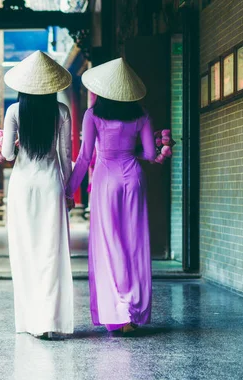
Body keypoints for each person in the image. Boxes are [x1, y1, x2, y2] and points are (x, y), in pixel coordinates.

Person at [65, 58, 156, 334]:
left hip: (106, 182)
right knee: (135, 245)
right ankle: (134, 309)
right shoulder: (142, 115)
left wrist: (68, 190)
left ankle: (118, 311)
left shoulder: (93, 116)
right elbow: (151, 155)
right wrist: (133, 153)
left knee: (109, 245)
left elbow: (84, 157)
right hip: (134, 179)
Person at [1, 51, 74, 339]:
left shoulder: (14, 112)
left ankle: (30, 321)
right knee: (51, 253)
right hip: (50, 186)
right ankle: (49, 321)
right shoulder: (61, 112)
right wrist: (68, 190)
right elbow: (65, 157)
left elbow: (7, 154)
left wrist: (16, 145)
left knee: (25, 252)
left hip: (22, 186)